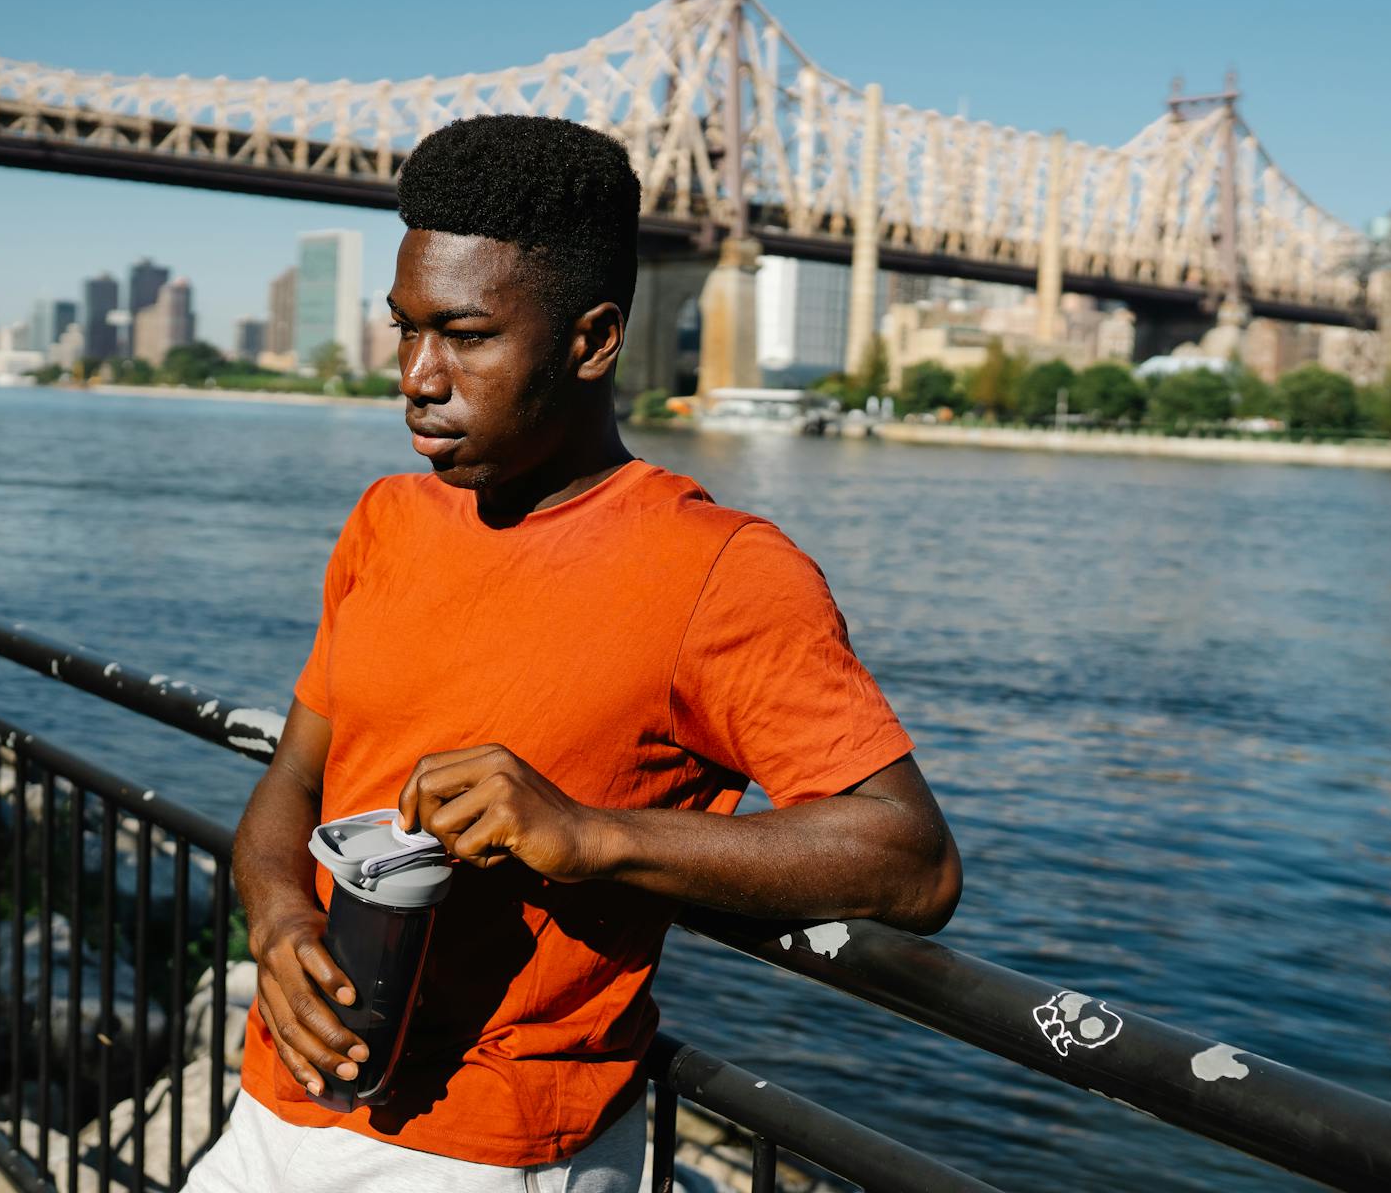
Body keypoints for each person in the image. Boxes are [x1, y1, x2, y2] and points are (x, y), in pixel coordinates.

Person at [185, 115, 962, 1192]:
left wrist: (587, 835)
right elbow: (295, 780)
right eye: (405, 328)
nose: (416, 374)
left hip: (488, 1154)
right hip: (272, 1111)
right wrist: (277, 921)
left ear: (593, 341)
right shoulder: (387, 517)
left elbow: (910, 859)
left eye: (464, 334)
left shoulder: (723, 570)